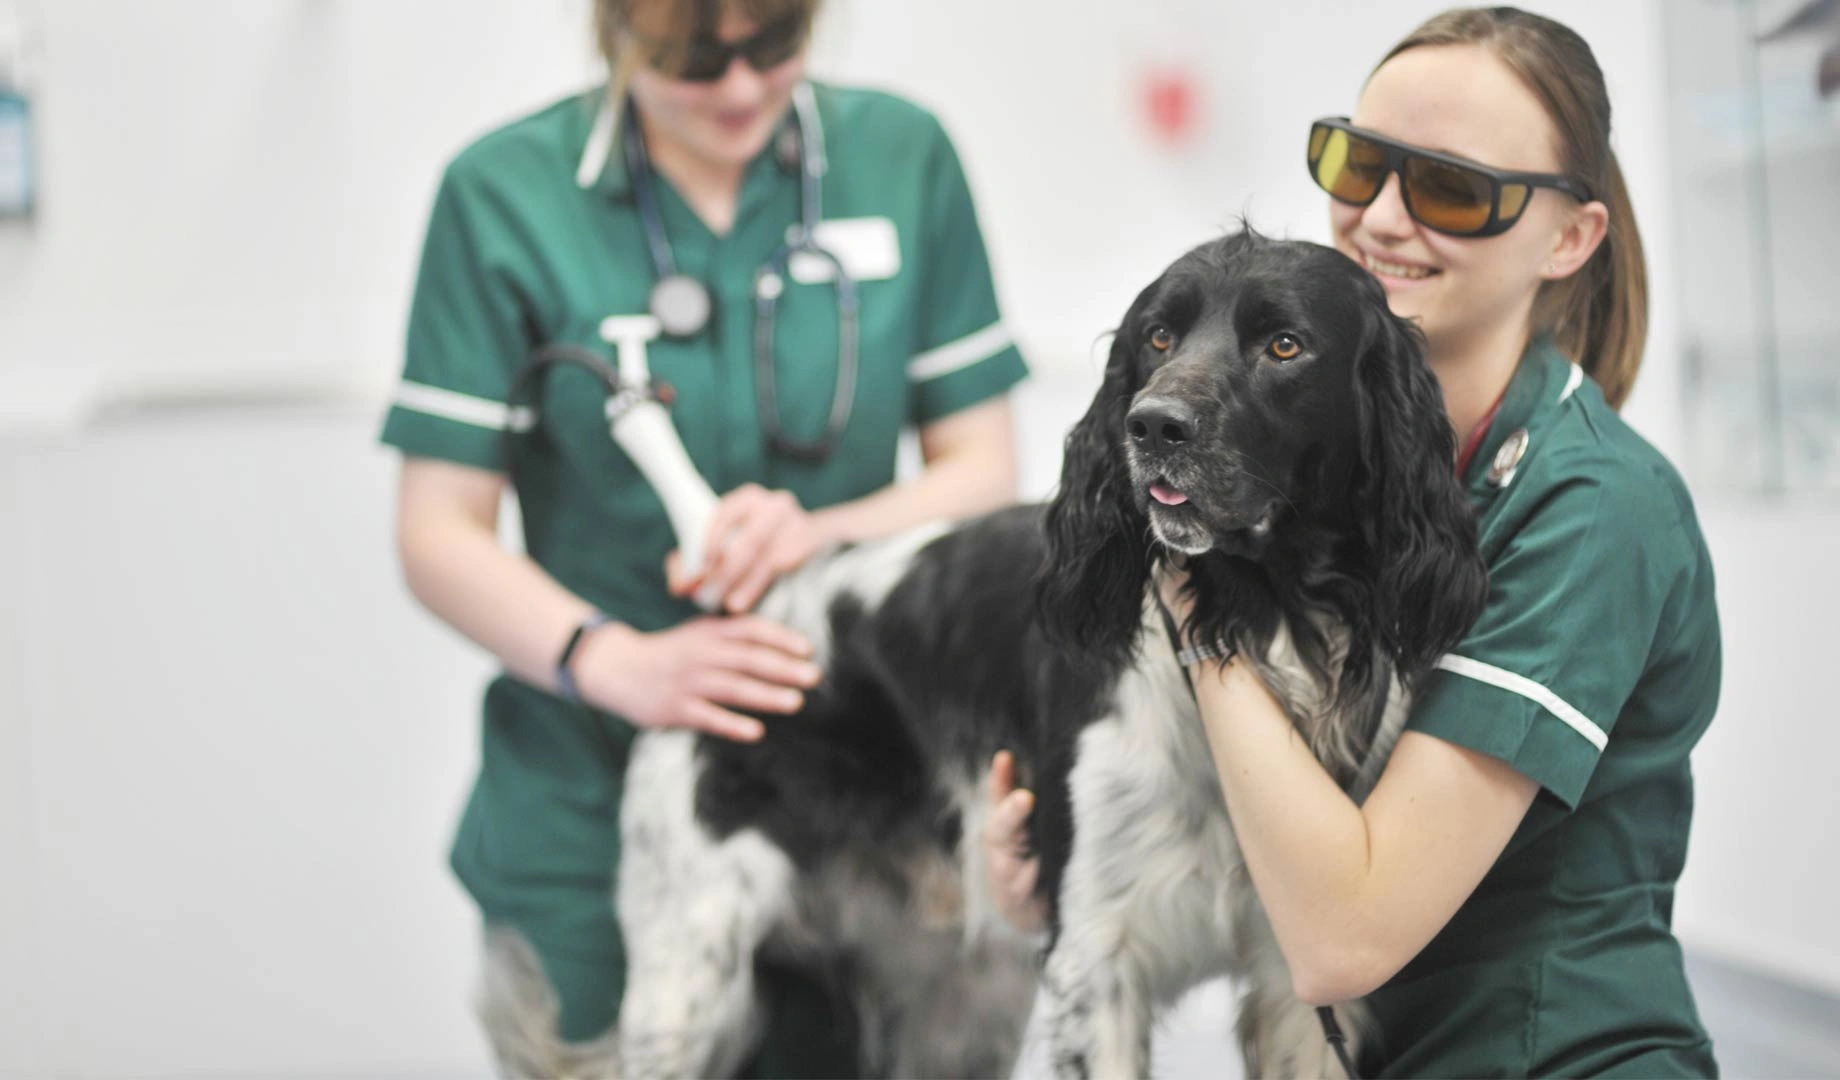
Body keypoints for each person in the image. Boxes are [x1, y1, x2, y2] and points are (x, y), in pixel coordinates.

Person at [986, 7, 1721, 1076]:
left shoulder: (1593, 507)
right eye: (1356, 161)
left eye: (1453, 188)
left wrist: (1196, 586)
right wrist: (1069, 865)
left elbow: (1343, 932)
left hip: (1553, 1058)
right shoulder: (1341, 483)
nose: (1378, 217)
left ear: (1570, 238)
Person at [382, 0, 1028, 1073]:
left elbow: (983, 471)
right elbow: (437, 532)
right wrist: (616, 661)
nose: (737, 89)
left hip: (869, 782)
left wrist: (820, 534)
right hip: (590, 788)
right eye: (691, 56)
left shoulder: (902, 156)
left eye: (774, 43)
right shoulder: (500, 196)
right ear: (613, 28)